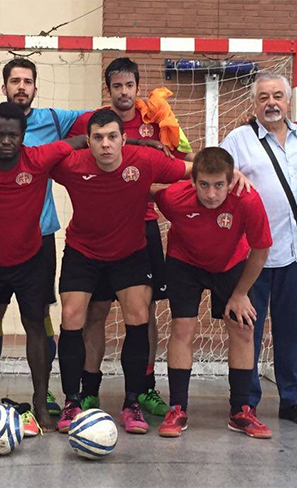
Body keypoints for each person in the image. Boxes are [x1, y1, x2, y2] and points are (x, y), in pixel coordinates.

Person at [53, 109, 234, 435]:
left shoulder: (145, 160)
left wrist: (236, 174)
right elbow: (31, 161)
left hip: (130, 253)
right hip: (83, 252)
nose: (106, 144)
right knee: (71, 315)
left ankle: (132, 402)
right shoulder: (71, 164)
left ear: (124, 139)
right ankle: (73, 400)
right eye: (98, 138)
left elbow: (193, 170)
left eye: (112, 137)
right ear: (88, 142)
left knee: (138, 316)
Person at [0, 102, 84, 434]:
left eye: (13, 135)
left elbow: (81, 140)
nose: (6, 141)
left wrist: (142, 142)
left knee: (36, 327)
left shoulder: (39, 158)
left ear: (23, 136)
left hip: (30, 261)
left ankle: (40, 405)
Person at [66, 57, 194, 417]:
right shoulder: (90, 123)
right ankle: (87, 389)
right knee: (94, 310)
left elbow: (183, 162)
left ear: (138, 87)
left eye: (129, 85)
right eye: (117, 86)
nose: (124, 92)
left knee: (143, 311)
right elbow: (67, 154)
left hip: (142, 227)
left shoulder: (159, 118)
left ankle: (143, 388)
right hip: (95, 234)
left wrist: (144, 191)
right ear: (108, 89)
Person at [0, 58, 88, 414]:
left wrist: (139, 122)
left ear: (36, 87)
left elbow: (96, 124)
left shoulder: (54, 120)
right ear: (4, 86)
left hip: (39, 237)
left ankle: (43, 393)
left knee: (39, 316)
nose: (21, 86)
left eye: (27, 81)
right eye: (15, 81)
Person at [220, 72, 297, 427]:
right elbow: (216, 172)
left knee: (292, 331)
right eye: (264, 97)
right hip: (251, 256)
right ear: (254, 103)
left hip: (293, 253)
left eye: (278, 96)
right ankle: (245, 402)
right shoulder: (239, 139)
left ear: (289, 101)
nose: (271, 103)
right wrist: (233, 174)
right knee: (247, 330)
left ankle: (292, 401)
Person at [152, 147, 273, 439]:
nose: (211, 194)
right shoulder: (174, 197)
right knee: (182, 328)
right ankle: (177, 408)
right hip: (184, 263)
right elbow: (145, 189)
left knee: (243, 327)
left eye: (219, 185)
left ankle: (241, 411)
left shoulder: (248, 199)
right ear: (192, 181)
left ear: (231, 182)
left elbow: (261, 250)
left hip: (230, 263)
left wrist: (241, 294)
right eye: (204, 184)